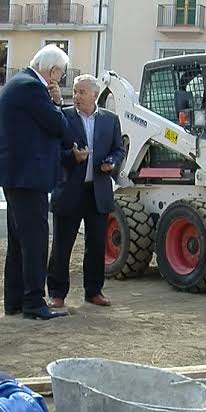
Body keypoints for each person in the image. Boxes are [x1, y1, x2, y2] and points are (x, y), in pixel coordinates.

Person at [0, 44, 70, 320]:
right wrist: (59, 102)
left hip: (18, 175)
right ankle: (34, 302)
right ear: (51, 72)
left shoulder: (18, 84)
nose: (59, 81)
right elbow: (59, 126)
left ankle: (14, 300)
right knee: (35, 241)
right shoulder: (32, 88)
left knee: (19, 241)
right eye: (59, 76)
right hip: (29, 177)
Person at [45, 74, 126, 309]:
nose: (76, 96)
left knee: (96, 245)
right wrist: (72, 157)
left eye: (81, 92)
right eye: (75, 92)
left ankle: (94, 291)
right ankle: (57, 293)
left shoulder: (110, 120)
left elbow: (119, 149)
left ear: (94, 94)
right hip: (69, 190)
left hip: (97, 191)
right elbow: (55, 152)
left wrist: (112, 161)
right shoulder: (64, 117)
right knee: (62, 245)